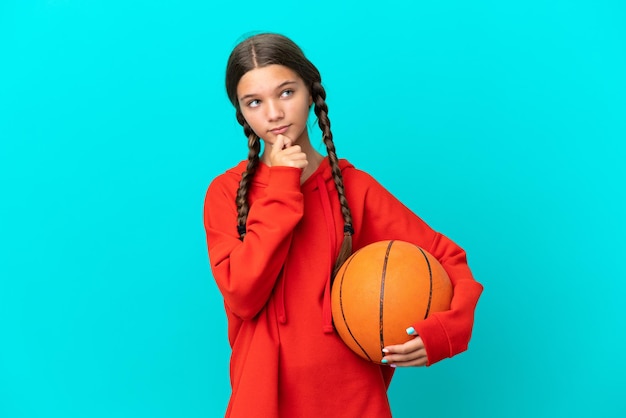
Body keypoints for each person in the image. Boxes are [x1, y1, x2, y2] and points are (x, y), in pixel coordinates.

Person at [203, 33, 483, 418]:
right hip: (262, 401)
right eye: (255, 102)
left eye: (286, 93)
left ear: (310, 89)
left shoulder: (354, 188)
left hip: (353, 401)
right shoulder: (226, 192)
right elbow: (244, 293)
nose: (273, 114)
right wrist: (284, 186)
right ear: (242, 112)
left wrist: (444, 332)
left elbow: (448, 259)